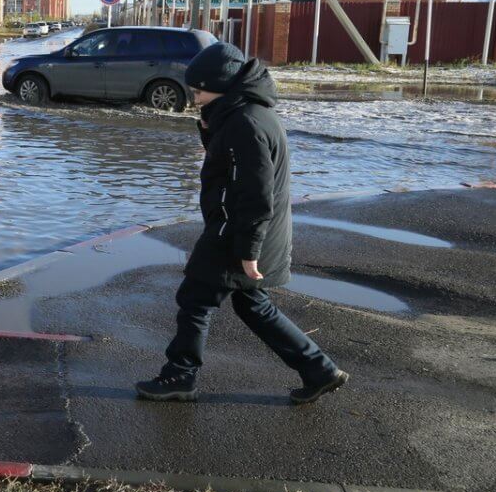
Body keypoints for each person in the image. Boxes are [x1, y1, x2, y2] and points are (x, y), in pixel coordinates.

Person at [135, 42, 348, 405]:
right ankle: (319, 370)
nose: (194, 93)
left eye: (198, 87)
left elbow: (255, 193)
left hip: (237, 232)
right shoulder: (241, 114)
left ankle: (179, 377)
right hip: (247, 230)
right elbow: (229, 167)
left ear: (221, 82)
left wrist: (248, 251)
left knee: (195, 299)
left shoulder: (244, 123)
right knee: (252, 305)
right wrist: (208, 127)